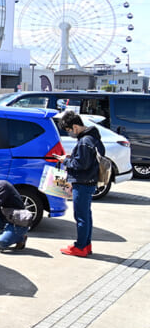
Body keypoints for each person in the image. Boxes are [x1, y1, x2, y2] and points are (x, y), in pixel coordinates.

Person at [55, 110, 105, 257]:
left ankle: (81, 246)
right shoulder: (93, 138)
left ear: (75, 127)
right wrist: (74, 157)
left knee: (81, 216)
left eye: (69, 130)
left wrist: (66, 160)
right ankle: (86, 244)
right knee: (86, 215)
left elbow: (80, 165)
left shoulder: (84, 141)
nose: (70, 133)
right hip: (90, 181)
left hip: (83, 182)